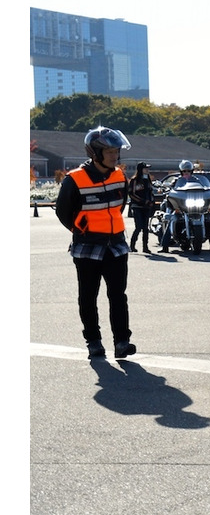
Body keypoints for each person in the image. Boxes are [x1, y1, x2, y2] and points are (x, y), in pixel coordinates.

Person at [55, 126, 137, 360]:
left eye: (116, 151)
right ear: (95, 153)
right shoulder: (74, 180)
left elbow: (119, 207)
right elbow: (63, 212)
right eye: (109, 151)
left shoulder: (120, 176)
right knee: (88, 296)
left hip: (116, 245)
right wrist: (81, 229)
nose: (115, 156)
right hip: (88, 247)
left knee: (118, 295)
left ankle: (122, 341)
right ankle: (93, 341)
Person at [161, 160, 210, 253]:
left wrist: (208, 188)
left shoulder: (197, 180)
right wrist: (169, 189)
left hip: (196, 205)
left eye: (188, 171)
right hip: (181, 206)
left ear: (191, 171)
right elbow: (171, 189)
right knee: (172, 218)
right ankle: (164, 246)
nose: (186, 173)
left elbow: (205, 186)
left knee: (209, 217)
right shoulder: (177, 181)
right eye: (184, 171)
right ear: (181, 172)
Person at [127, 161, 154, 254]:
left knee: (146, 228)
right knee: (139, 227)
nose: (147, 170)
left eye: (148, 168)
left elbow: (151, 192)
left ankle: (145, 247)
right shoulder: (134, 180)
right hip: (137, 206)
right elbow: (131, 193)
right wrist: (142, 201)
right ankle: (132, 245)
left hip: (146, 207)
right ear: (140, 169)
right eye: (145, 168)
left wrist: (151, 201)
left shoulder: (148, 180)